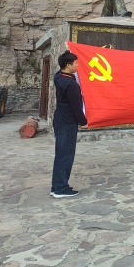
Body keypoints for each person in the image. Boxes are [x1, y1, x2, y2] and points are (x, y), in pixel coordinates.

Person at [50, 50, 88, 198]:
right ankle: (61, 188)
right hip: (67, 123)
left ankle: (56, 186)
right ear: (68, 65)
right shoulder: (71, 84)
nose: (78, 65)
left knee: (60, 154)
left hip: (60, 120)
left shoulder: (59, 77)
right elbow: (76, 107)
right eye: (76, 63)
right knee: (66, 154)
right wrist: (83, 122)